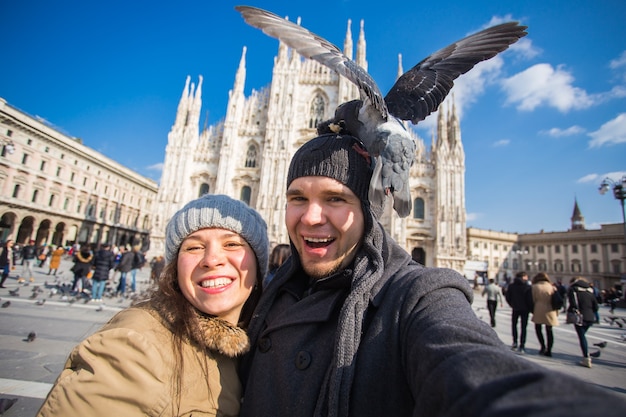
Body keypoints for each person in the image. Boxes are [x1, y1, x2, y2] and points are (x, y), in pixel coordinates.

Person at [238, 133, 626, 417]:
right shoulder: (260, 295)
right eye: (298, 198)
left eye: (336, 198)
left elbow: (464, 359)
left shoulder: (414, 295)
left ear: (370, 210)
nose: (311, 216)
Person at [37, 194, 269, 417]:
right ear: (175, 266)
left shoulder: (257, 343)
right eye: (194, 247)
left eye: (231, 244)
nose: (211, 259)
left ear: (258, 265)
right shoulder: (132, 348)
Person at [568, 276, 599, 368]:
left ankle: (586, 358)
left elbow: (573, 303)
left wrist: (572, 312)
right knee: (582, 336)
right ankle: (587, 354)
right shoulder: (590, 290)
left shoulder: (573, 289)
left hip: (580, 317)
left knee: (582, 337)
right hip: (590, 316)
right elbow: (596, 306)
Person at [530, 272, 559, 357]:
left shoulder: (535, 287)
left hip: (539, 308)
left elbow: (533, 299)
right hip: (550, 310)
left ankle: (542, 346)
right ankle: (549, 349)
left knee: (538, 328)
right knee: (549, 330)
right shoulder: (552, 287)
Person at [505, 271, 533, 353]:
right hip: (525, 309)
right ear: (523, 277)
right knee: (523, 327)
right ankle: (522, 345)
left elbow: (508, 297)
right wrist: (530, 308)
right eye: (526, 276)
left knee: (514, 325)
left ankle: (515, 342)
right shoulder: (527, 286)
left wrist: (512, 304)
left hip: (515, 308)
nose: (527, 278)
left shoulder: (512, 286)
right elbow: (529, 299)